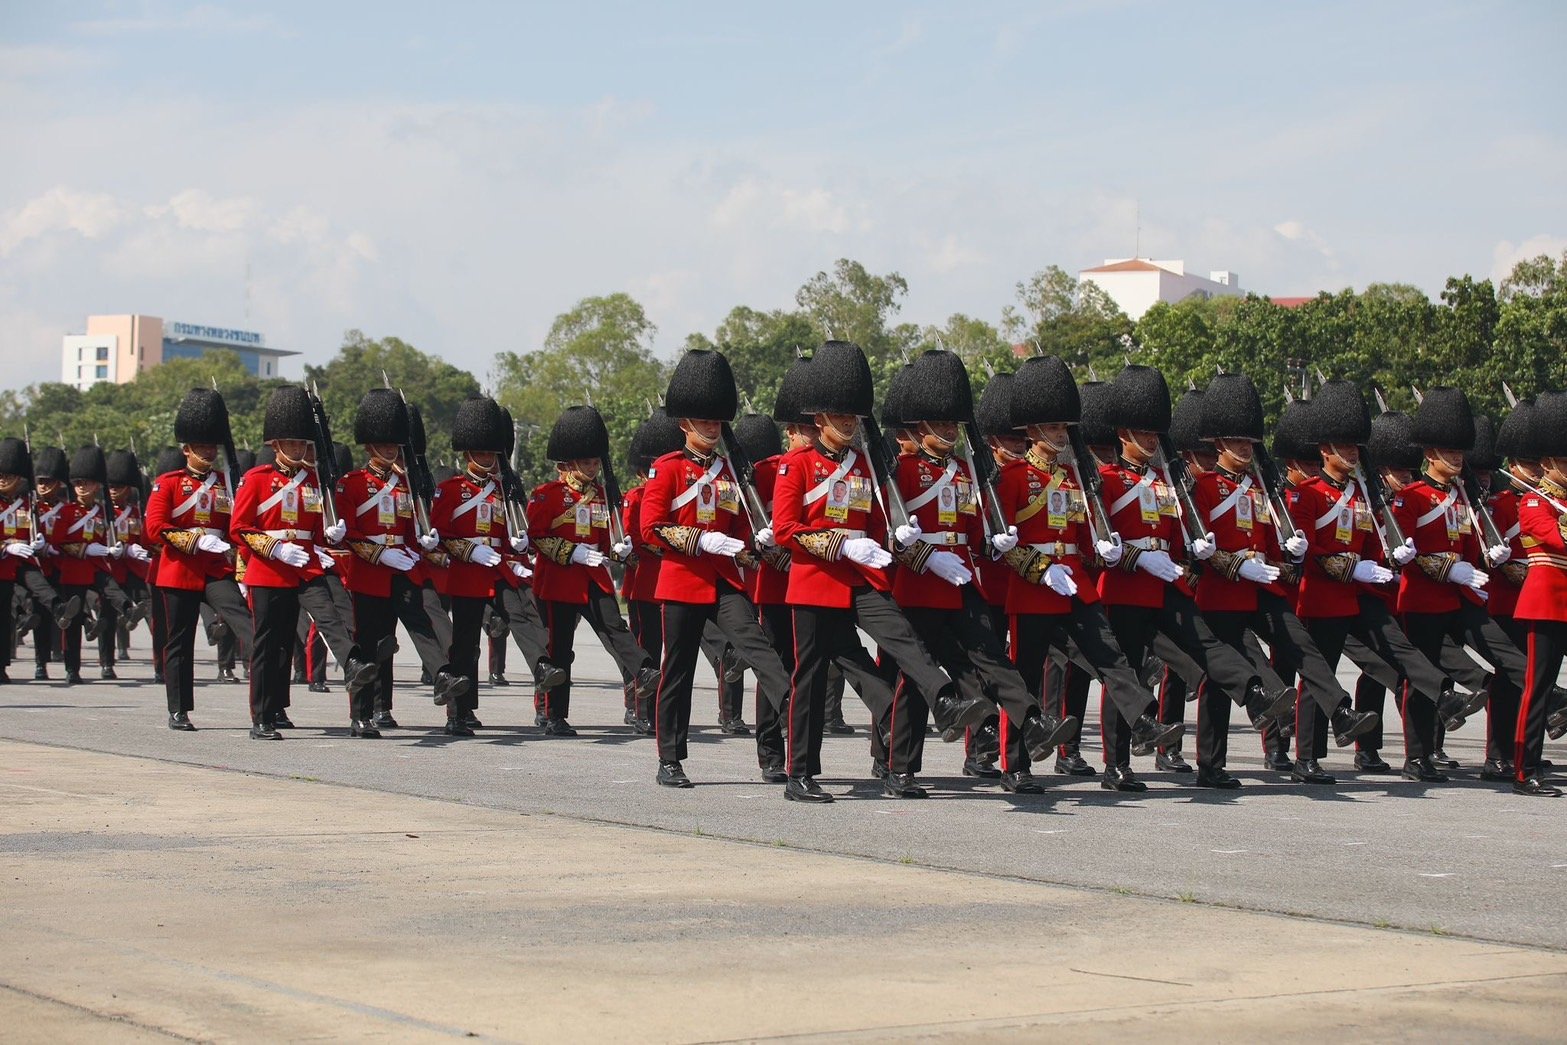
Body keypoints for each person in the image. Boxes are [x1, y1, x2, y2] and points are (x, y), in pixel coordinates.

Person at [772, 340, 990, 803]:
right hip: (815, 582)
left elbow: (875, 522)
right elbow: (787, 528)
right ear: (820, 420)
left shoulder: (865, 465)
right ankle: (800, 773)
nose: (849, 424)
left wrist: (895, 540)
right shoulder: (798, 464)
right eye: (841, 418)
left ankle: (945, 699)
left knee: (904, 639)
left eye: (853, 417)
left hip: (861, 579)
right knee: (809, 678)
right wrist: (844, 545)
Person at [640, 349, 794, 788]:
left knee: (758, 644)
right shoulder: (666, 469)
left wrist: (757, 544)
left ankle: (789, 701)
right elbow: (651, 528)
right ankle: (670, 757)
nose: (712, 427)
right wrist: (697, 539)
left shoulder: (731, 472)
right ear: (685, 423)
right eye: (704, 421)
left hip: (725, 579)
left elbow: (742, 527)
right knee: (679, 670)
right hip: (684, 579)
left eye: (716, 421)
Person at [1391, 388, 1530, 782]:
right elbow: (1402, 552)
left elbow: (1472, 548)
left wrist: (1489, 563)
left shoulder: (1462, 498)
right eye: (1449, 452)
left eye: (1459, 452)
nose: (1457, 458)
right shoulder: (1411, 498)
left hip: (1459, 598)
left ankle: (1544, 691)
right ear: (1429, 454)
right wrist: (1446, 569)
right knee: (1423, 679)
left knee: (1498, 644)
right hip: (1421, 599)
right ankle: (1416, 758)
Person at [231, 386, 375, 739]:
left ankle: (352, 663)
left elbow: (318, 532)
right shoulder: (257, 480)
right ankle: (264, 715)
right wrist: (274, 549)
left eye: (302, 444)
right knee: (271, 643)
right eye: (291, 444)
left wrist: (334, 532)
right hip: (269, 569)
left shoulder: (316, 483)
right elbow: (240, 528)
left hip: (307, 566)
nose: (298, 450)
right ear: (276, 444)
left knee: (330, 617)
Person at [336, 388, 470, 734]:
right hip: (370, 571)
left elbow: (414, 529)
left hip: (406, 568)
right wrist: (381, 554)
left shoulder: (408, 485)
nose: (391, 450)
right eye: (385, 446)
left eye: (394, 445)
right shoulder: (352, 484)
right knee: (373, 644)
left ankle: (442, 674)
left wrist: (423, 542)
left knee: (424, 624)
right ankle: (363, 714)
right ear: (370, 447)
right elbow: (349, 534)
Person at [527, 405, 657, 736]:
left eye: (596, 462)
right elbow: (537, 538)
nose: (593, 467)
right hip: (559, 580)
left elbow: (606, 539)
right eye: (587, 462)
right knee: (559, 649)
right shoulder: (548, 495)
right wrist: (571, 553)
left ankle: (643, 670)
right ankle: (555, 714)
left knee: (615, 627)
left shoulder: (603, 496)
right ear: (569, 463)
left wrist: (619, 550)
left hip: (594, 577)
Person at [146, 389, 257, 729]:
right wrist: (195, 541)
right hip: (180, 569)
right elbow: (155, 528)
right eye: (202, 447)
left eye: (212, 447)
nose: (208, 452)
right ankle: (178, 710)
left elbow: (237, 527)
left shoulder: (227, 484)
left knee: (245, 620)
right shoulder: (169, 483)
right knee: (179, 641)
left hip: (216, 568)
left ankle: (266, 672)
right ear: (186, 450)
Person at [429, 394, 515, 736]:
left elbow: (511, 531)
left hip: (499, 570)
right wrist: (468, 551)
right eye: (480, 453)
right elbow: (440, 533)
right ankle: (458, 710)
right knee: (465, 646)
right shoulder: (452, 490)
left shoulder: (505, 490)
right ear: (467, 455)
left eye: (491, 453)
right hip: (467, 573)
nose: (486, 458)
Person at [1510, 390, 1567, 796]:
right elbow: (1559, 540)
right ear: (1547, 463)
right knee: (1538, 689)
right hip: (1546, 605)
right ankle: (1524, 768)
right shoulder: (1533, 502)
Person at [0, 438, 81, 685]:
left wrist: (38, 542)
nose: (3, 479)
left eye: (9, 475)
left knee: (31, 585)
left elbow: (37, 532)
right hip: (4, 558)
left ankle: (57, 606)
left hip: (20, 560)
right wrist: (6, 546)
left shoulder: (27, 505)